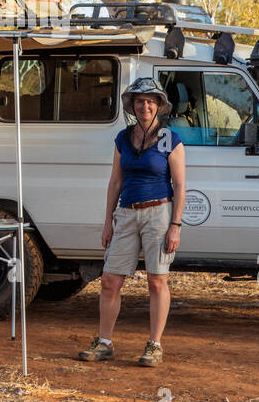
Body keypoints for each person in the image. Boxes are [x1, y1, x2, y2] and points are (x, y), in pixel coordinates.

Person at [79, 77, 185, 367]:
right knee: (111, 280)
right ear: (133, 106)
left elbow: (179, 185)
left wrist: (175, 225)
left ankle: (154, 345)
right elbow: (115, 181)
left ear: (159, 106)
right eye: (140, 101)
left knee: (156, 280)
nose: (145, 106)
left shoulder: (171, 139)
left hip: (159, 212)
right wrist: (107, 222)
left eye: (151, 101)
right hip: (126, 212)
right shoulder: (123, 138)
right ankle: (104, 343)